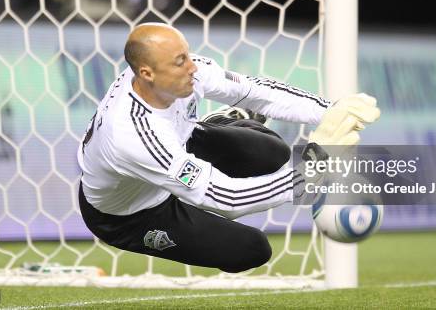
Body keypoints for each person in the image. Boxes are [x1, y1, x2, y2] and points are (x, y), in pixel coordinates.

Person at [77, 23, 380, 273]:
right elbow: (228, 198)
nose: (193, 67)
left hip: (180, 141)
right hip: (131, 213)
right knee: (251, 250)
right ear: (146, 74)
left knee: (273, 154)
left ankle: (219, 122)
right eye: (180, 61)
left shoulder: (183, 74)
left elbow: (255, 91)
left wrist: (332, 110)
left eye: (187, 55)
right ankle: (210, 142)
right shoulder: (134, 135)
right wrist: (310, 170)